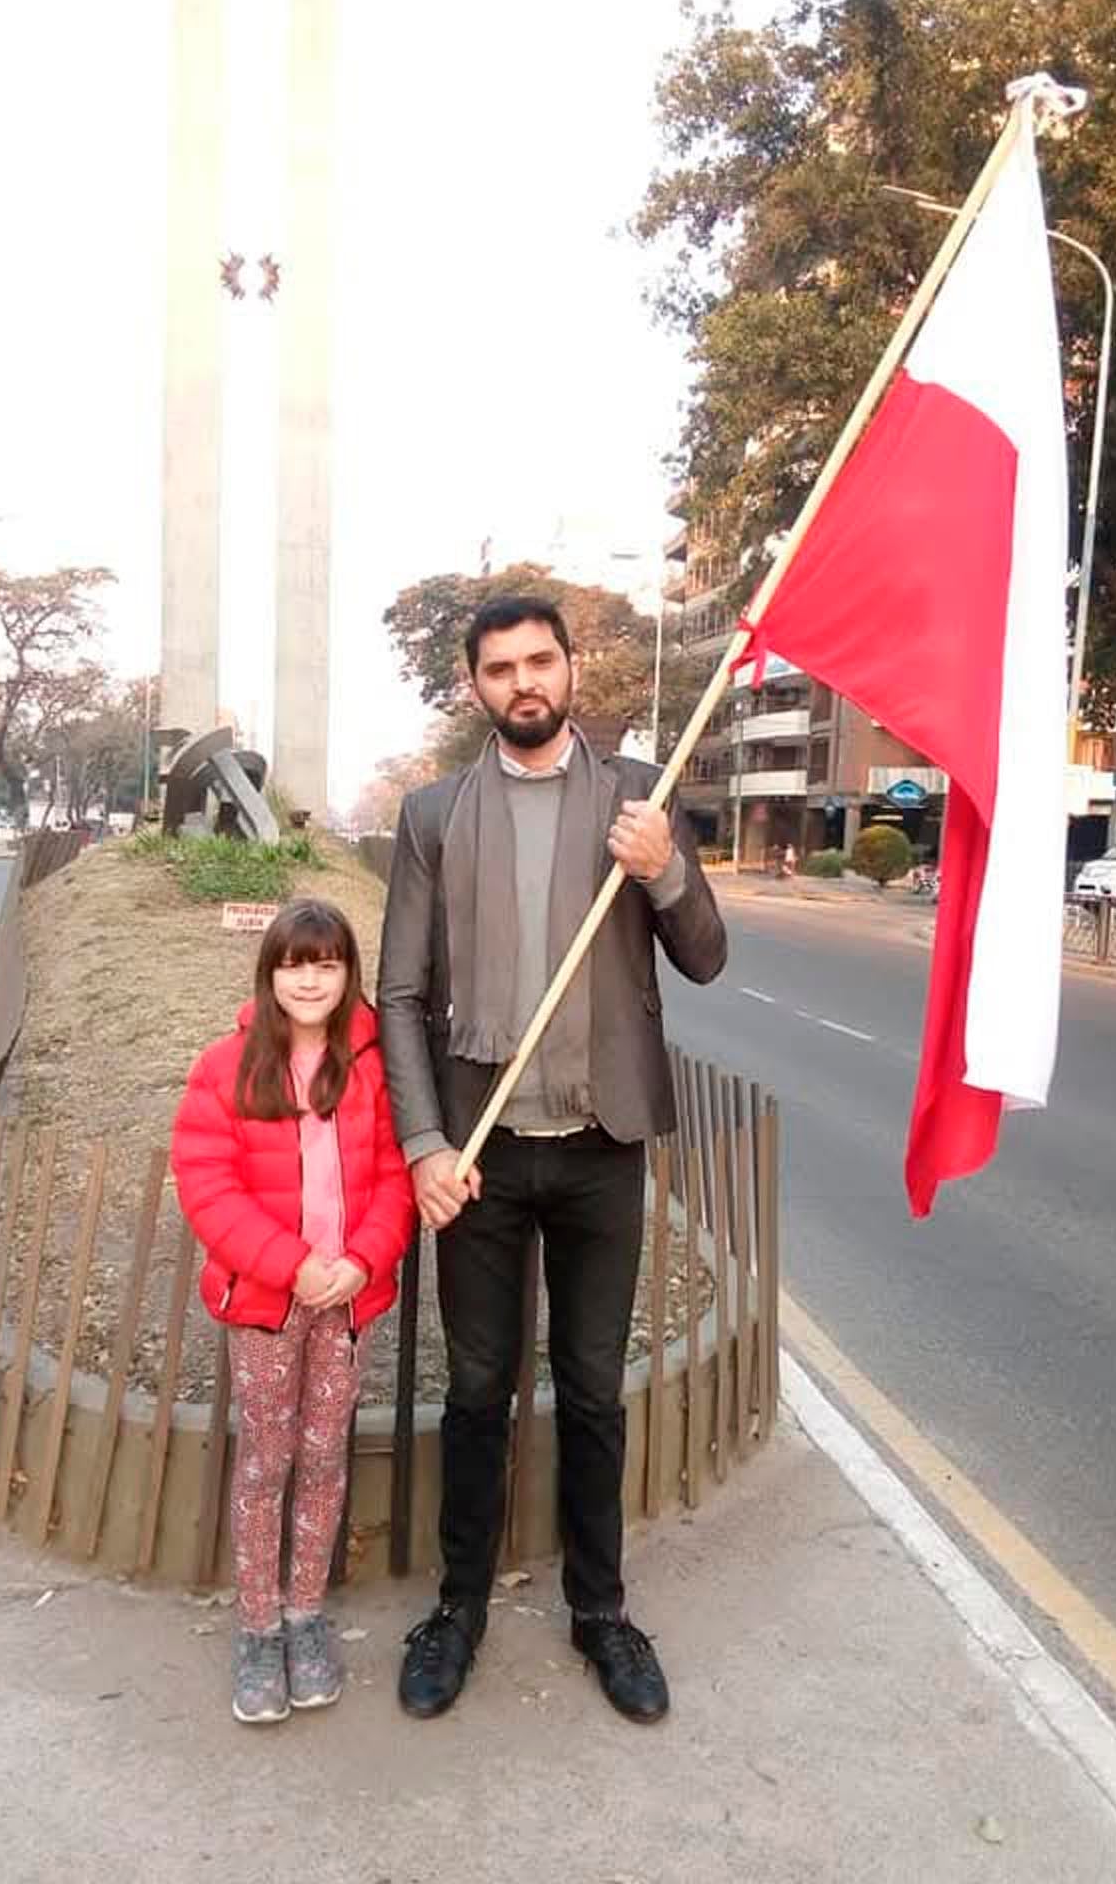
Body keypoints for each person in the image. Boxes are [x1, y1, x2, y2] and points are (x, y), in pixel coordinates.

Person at [378, 595, 727, 1726]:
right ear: (475, 688)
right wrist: (426, 1144)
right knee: (476, 1392)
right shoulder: (435, 815)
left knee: (590, 1392)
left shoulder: (638, 798)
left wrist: (666, 870)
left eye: (540, 662)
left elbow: (707, 959)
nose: (523, 683)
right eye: (499, 668)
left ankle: (602, 1613)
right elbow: (401, 994)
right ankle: (460, 1608)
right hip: (479, 1158)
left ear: (572, 670)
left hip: (597, 1151)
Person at [171, 899, 415, 1726]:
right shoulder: (226, 1066)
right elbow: (209, 1187)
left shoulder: (374, 1067)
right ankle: (257, 1625)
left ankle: (306, 1614)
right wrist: (294, 1265)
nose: (309, 979)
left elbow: (393, 1178)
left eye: (327, 962)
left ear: (349, 974)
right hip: (269, 1306)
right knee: (265, 1460)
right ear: (270, 973)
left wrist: (360, 1261)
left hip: (347, 1303)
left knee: (323, 1456)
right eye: (293, 963)